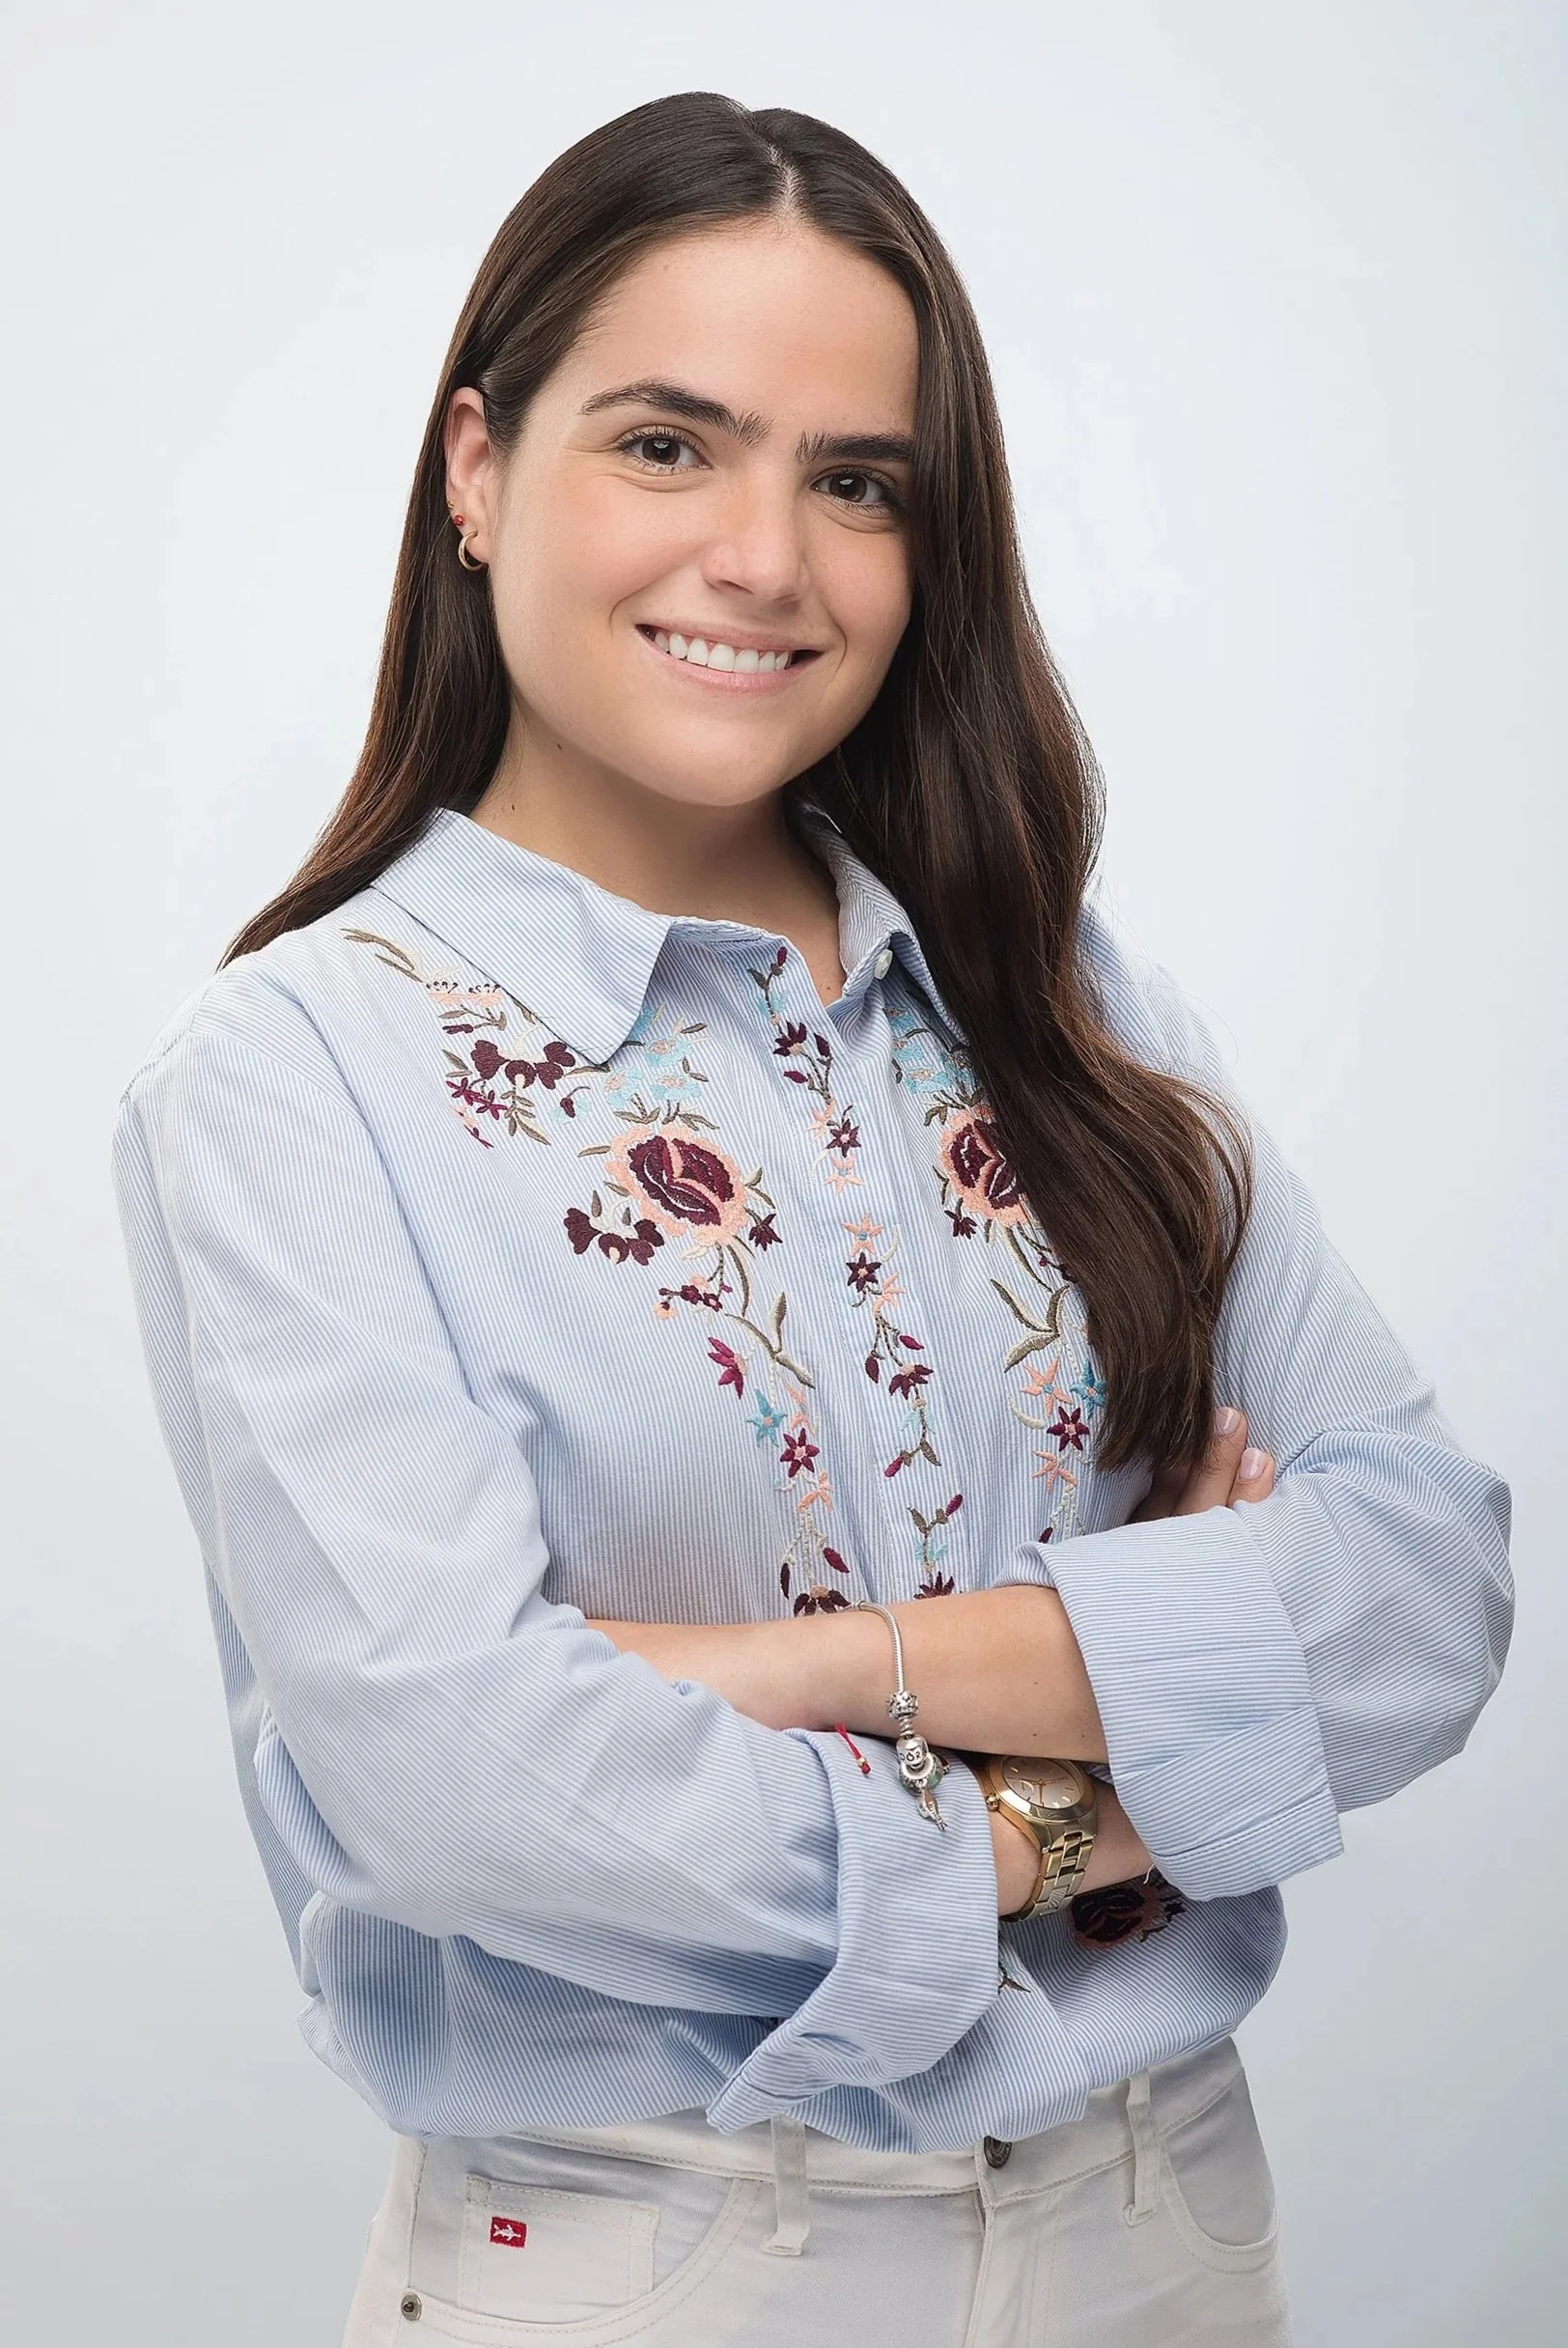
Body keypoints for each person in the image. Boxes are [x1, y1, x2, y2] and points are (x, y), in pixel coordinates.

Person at [111, 90, 1512, 2348]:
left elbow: (1419, 1583)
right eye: (668, 444)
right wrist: (1108, 1780)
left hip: (1162, 2220)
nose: (765, 556)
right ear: (475, 469)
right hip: (659, 2259)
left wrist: (810, 1671)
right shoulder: (300, 1074)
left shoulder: (1050, 991)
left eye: (856, 481)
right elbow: (461, 1785)